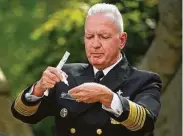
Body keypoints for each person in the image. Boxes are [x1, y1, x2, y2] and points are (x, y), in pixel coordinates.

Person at [11, 3, 162, 136]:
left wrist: (108, 98)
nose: (95, 44)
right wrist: (38, 88)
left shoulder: (144, 81)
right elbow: (22, 114)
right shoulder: (66, 74)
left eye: (104, 37)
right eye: (89, 37)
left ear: (121, 40)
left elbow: (145, 123)